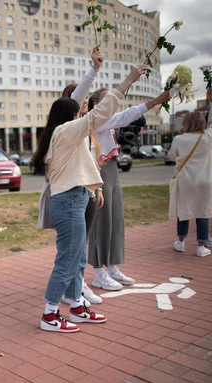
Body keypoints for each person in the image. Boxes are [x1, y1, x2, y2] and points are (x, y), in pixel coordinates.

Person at [33, 63, 148, 333]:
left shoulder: (62, 134)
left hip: (76, 197)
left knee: (74, 259)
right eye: (78, 108)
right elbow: (99, 113)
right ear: (70, 114)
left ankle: (75, 306)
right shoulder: (66, 131)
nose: (82, 108)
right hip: (70, 201)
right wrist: (128, 79)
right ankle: (49, 314)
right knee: (68, 259)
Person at [87, 88, 171, 291]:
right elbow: (125, 116)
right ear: (96, 102)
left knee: (116, 219)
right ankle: (99, 273)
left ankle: (113, 268)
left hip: (112, 166)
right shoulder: (95, 118)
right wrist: (155, 101)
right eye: (108, 98)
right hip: (100, 168)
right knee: (101, 221)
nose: (113, 102)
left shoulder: (107, 119)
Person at [57, 46, 106, 306]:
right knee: (72, 246)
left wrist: (97, 189)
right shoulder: (66, 128)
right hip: (70, 195)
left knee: (82, 243)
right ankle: (73, 289)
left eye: (87, 102)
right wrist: (94, 70)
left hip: (87, 192)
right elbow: (78, 96)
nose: (85, 104)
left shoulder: (87, 129)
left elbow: (90, 164)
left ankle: (78, 285)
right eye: (81, 102)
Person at [168, 103, 212, 257]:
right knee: (202, 212)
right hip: (205, 181)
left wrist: (182, 134)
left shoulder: (179, 139)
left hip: (185, 181)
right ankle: (201, 246)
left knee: (183, 211)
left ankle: (180, 242)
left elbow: (171, 157)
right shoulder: (208, 137)